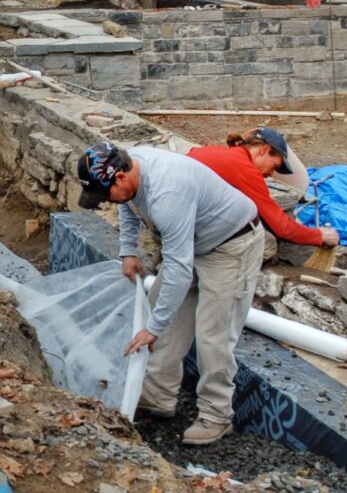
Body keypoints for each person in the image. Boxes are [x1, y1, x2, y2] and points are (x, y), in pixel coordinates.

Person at [77, 141, 264, 445]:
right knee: (159, 311)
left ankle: (216, 415)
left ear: (121, 177)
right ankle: (157, 395)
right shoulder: (130, 172)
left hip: (231, 246)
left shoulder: (168, 195)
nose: (105, 202)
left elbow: (178, 269)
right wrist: (127, 250)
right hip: (194, 241)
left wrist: (154, 328)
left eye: (104, 194)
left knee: (213, 334)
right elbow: (128, 205)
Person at [187, 127, 339, 259]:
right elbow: (282, 228)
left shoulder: (208, 150)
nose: (270, 174)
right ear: (264, 150)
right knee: (266, 243)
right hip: (188, 230)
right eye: (274, 166)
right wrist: (319, 236)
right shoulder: (244, 169)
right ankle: (215, 269)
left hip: (177, 215)